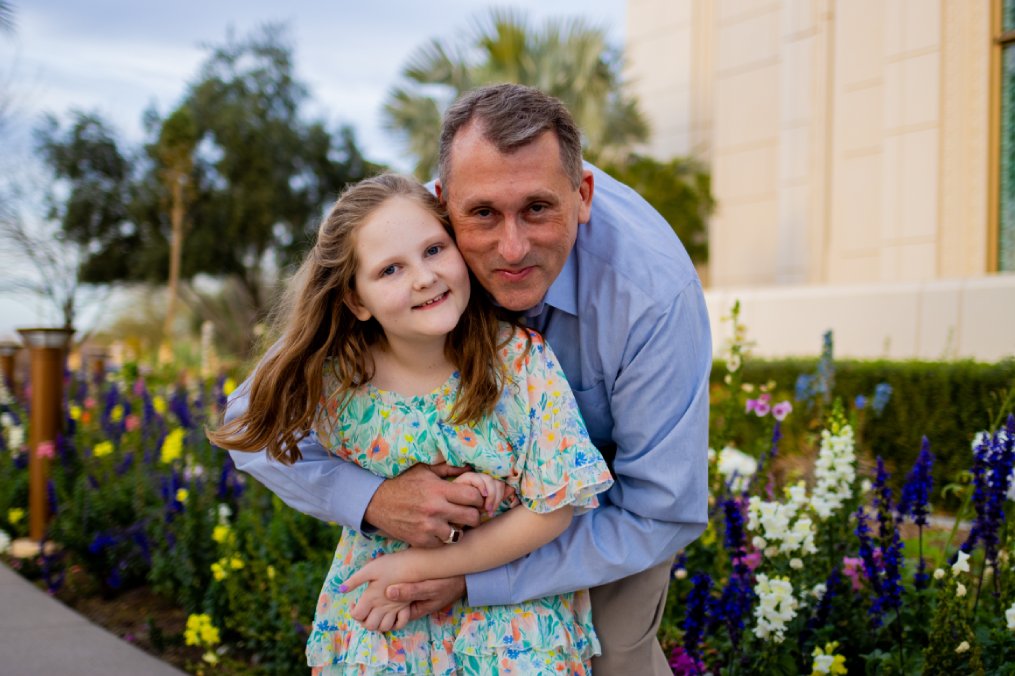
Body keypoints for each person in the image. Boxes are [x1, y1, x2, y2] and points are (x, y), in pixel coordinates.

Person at [228, 84, 711, 674]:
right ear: (443, 202)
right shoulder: (415, 253)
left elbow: (658, 511)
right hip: (416, 564)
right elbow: (249, 419)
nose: (512, 247)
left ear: (582, 195)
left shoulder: (653, 296)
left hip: (603, 514)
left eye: (538, 208)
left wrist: (469, 576)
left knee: (616, 652)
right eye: (482, 214)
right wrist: (374, 499)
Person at [212, 173, 614, 673]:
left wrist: (421, 565)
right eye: (390, 270)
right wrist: (369, 500)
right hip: (384, 618)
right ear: (356, 300)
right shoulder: (337, 377)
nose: (422, 277)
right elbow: (252, 425)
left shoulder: (519, 362)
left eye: (433, 250)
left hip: (509, 625)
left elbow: (553, 509)